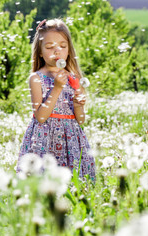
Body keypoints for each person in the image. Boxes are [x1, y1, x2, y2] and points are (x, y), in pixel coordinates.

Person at [17, 18, 95, 180]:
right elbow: (40, 116)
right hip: (45, 139)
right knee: (45, 182)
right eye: (49, 47)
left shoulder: (73, 78)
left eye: (62, 46)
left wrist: (78, 105)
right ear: (40, 51)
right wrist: (57, 87)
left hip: (71, 139)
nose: (57, 51)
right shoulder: (36, 78)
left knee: (72, 183)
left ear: (69, 50)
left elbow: (80, 120)